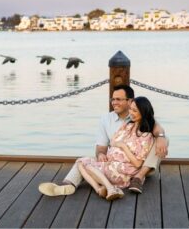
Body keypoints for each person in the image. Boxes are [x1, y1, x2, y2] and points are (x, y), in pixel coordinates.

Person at [38, 84, 169, 198]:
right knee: (84, 161)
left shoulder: (137, 115)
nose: (114, 102)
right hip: (112, 162)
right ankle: (69, 185)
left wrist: (161, 136)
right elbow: (101, 147)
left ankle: (138, 178)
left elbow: (154, 126)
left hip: (133, 166)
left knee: (163, 139)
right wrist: (101, 154)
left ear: (130, 101)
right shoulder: (106, 119)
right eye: (113, 99)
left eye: (118, 99)